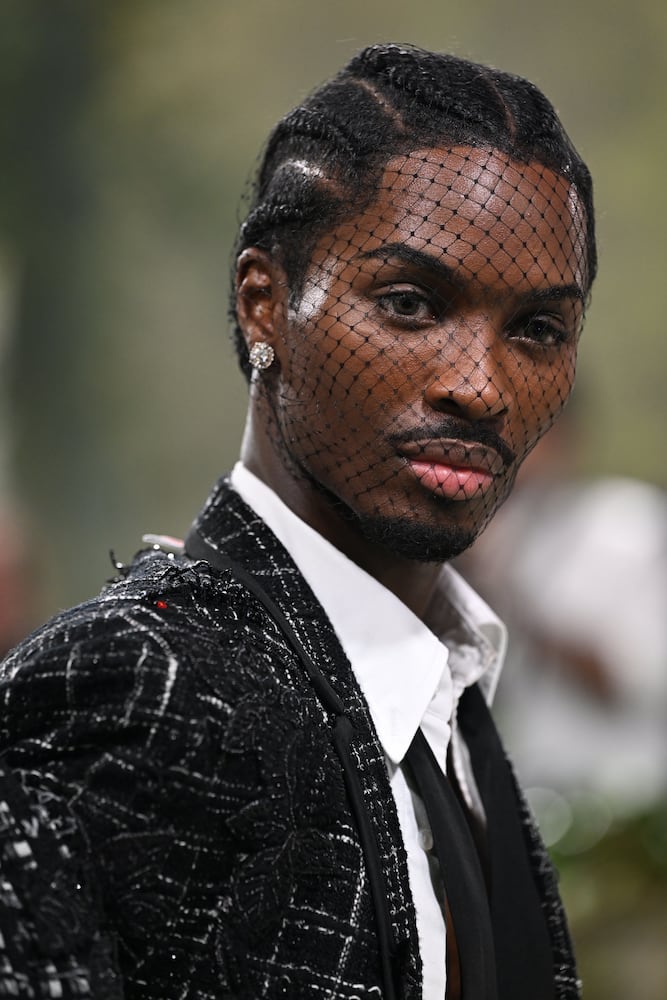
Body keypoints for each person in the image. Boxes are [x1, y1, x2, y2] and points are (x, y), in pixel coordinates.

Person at [0, 43, 596, 1000]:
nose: (479, 385)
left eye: (535, 330)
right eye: (409, 303)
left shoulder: (441, 696)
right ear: (264, 303)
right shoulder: (131, 684)